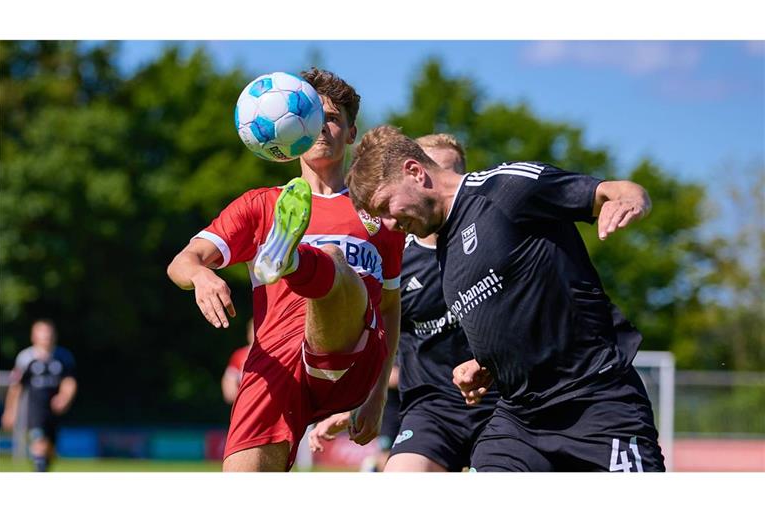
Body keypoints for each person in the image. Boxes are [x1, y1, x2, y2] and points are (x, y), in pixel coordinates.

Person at [345, 126, 665, 472]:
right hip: (520, 419)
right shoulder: (443, 246)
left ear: (415, 172)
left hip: (595, 400)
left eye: (386, 207)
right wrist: (486, 364)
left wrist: (632, 198)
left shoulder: (505, 188)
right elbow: (516, 306)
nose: (390, 224)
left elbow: (613, 190)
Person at [167, 69, 405, 472]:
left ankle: (292, 260)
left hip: (351, 356)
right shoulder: (260, 204)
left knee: (331, 258)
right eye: (313, 115)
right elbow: (182, 262)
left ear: (351, 133)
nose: (322, 127)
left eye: (333, 118)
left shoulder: (380, 210)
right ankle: (290, 257)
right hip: (275, 360)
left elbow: (391, 305)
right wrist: (202, 276)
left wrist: (378, 394)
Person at [310, 134, 499, 472]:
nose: (437, 184)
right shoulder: (397, 260)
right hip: (432, 411)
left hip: (503, 406)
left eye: (448, 173)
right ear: (413, 173)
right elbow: (375, 336)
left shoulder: (491, 239)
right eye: (430, 171)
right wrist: (356, 401)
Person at [1, 319, 78, 472]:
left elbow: (69, 382)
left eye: (48, 333)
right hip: (35, 410)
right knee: (39, 443)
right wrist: (10, 411)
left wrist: (64, 397)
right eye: (42, 333)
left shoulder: (63, 357)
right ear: (34, 336)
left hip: (54, 411)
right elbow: (16, 387)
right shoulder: (25, 358)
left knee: (50, 451)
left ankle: (42, 468)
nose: (46, 336)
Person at [221, 318, 255, 405]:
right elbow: (229, 383)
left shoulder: (276, 354)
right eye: (253, 330)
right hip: (246, 405)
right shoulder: (240, 356)